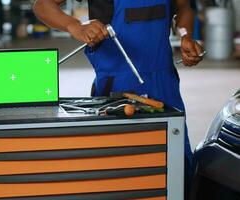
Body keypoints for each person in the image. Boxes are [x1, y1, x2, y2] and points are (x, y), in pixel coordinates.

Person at [33, 0, 203, 198]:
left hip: (164, 83)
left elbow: (182, 7)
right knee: (119, 167)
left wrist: (186, 35)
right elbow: (42, 5)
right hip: (116, 88)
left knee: (175, 162)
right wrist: (75, 26)